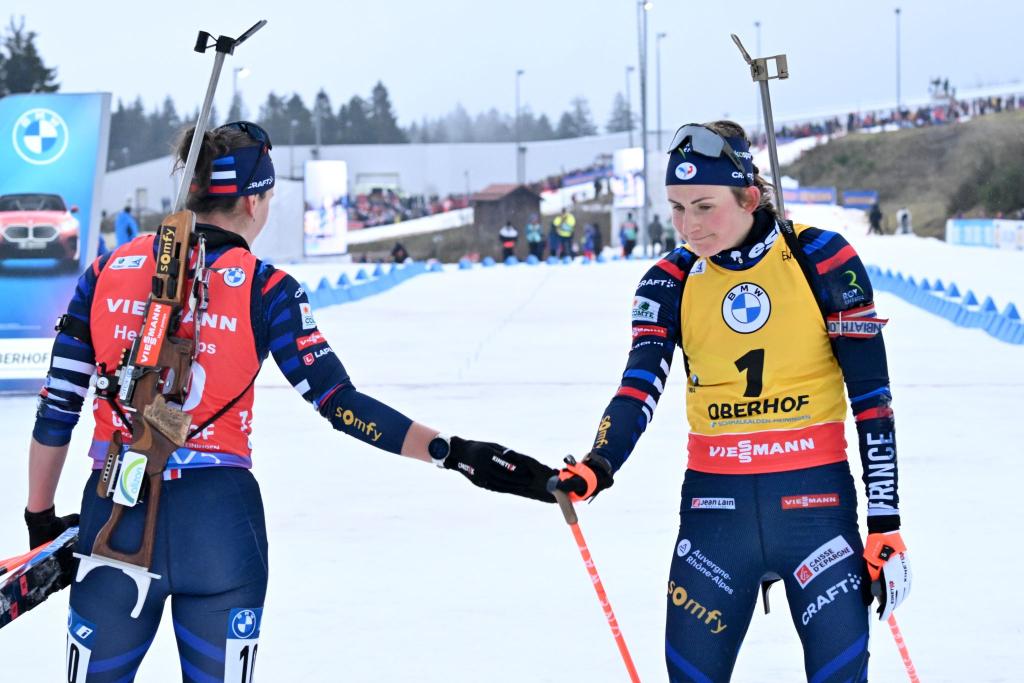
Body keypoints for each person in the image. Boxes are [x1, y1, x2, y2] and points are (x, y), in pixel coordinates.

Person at [25, 121, 556, 682]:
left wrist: (40, 517)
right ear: (252, 201)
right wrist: (454, 452)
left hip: (115, 512)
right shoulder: (267, 288)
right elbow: (340, 403)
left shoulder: (106, 271)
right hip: (219, 523)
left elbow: (58, 408)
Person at [546, 121, 911, 682]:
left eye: (704, 206)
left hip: (815, 510)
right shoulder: (669, 280)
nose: (689, 225)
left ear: (748, 197)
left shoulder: (821, 257)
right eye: (676, 208)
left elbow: (872, 401)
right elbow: (638, 386)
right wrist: (599, 462)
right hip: (716, 516)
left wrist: (885, 521)